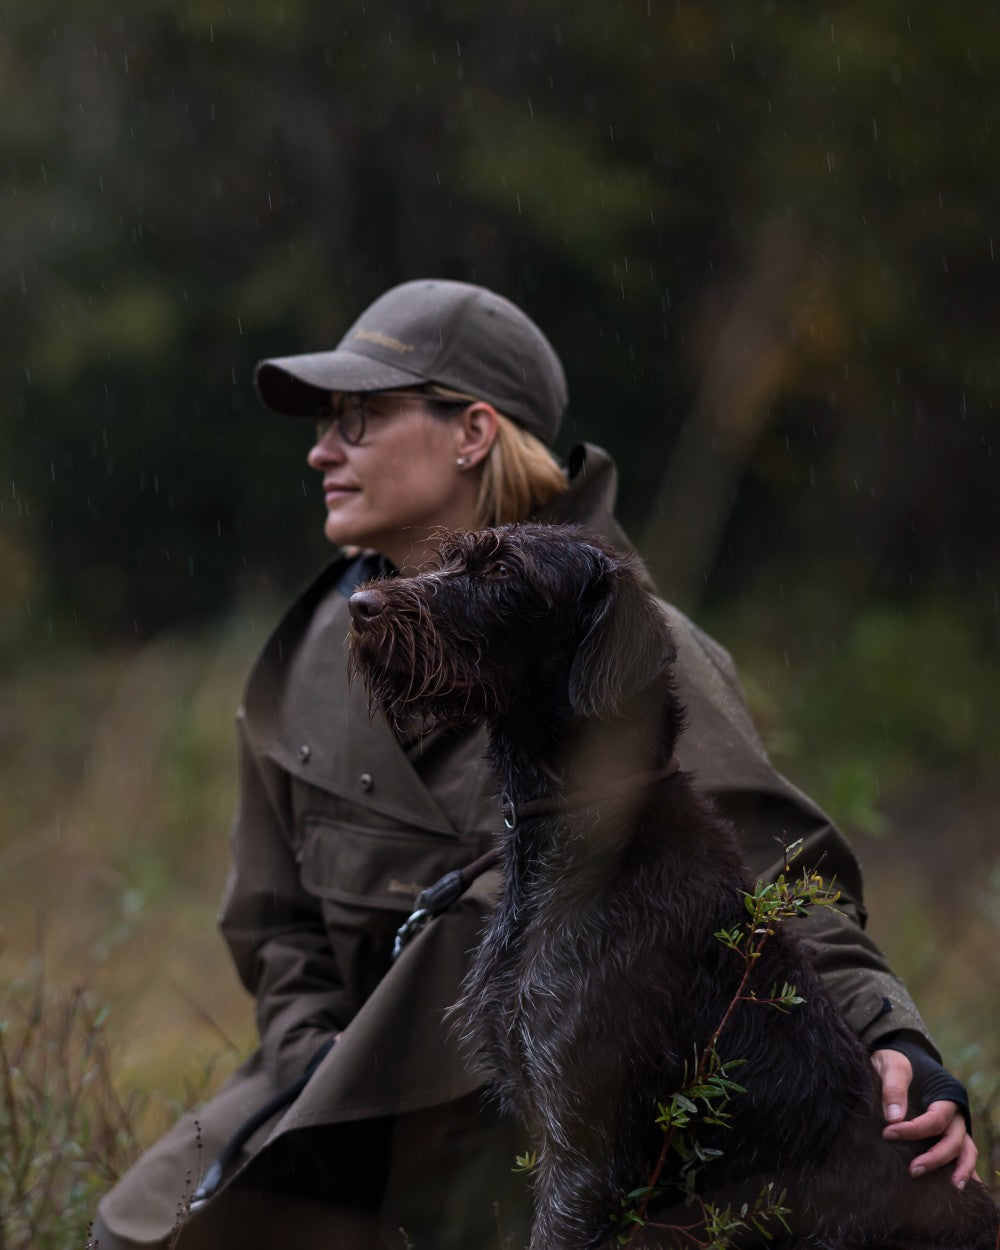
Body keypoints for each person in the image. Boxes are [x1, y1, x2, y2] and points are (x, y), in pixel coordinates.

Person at [92, 279, 978, 1250]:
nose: (321, 450)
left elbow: (777, 884)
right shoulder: (303, 655)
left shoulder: (608, 637)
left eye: (360, 418)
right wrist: (319, 1054)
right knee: (128, 1232)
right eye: (324, 425)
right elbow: (271, 922)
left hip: (533, 1126)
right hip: (325, 1095)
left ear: (471, 431)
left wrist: (895, 1042)